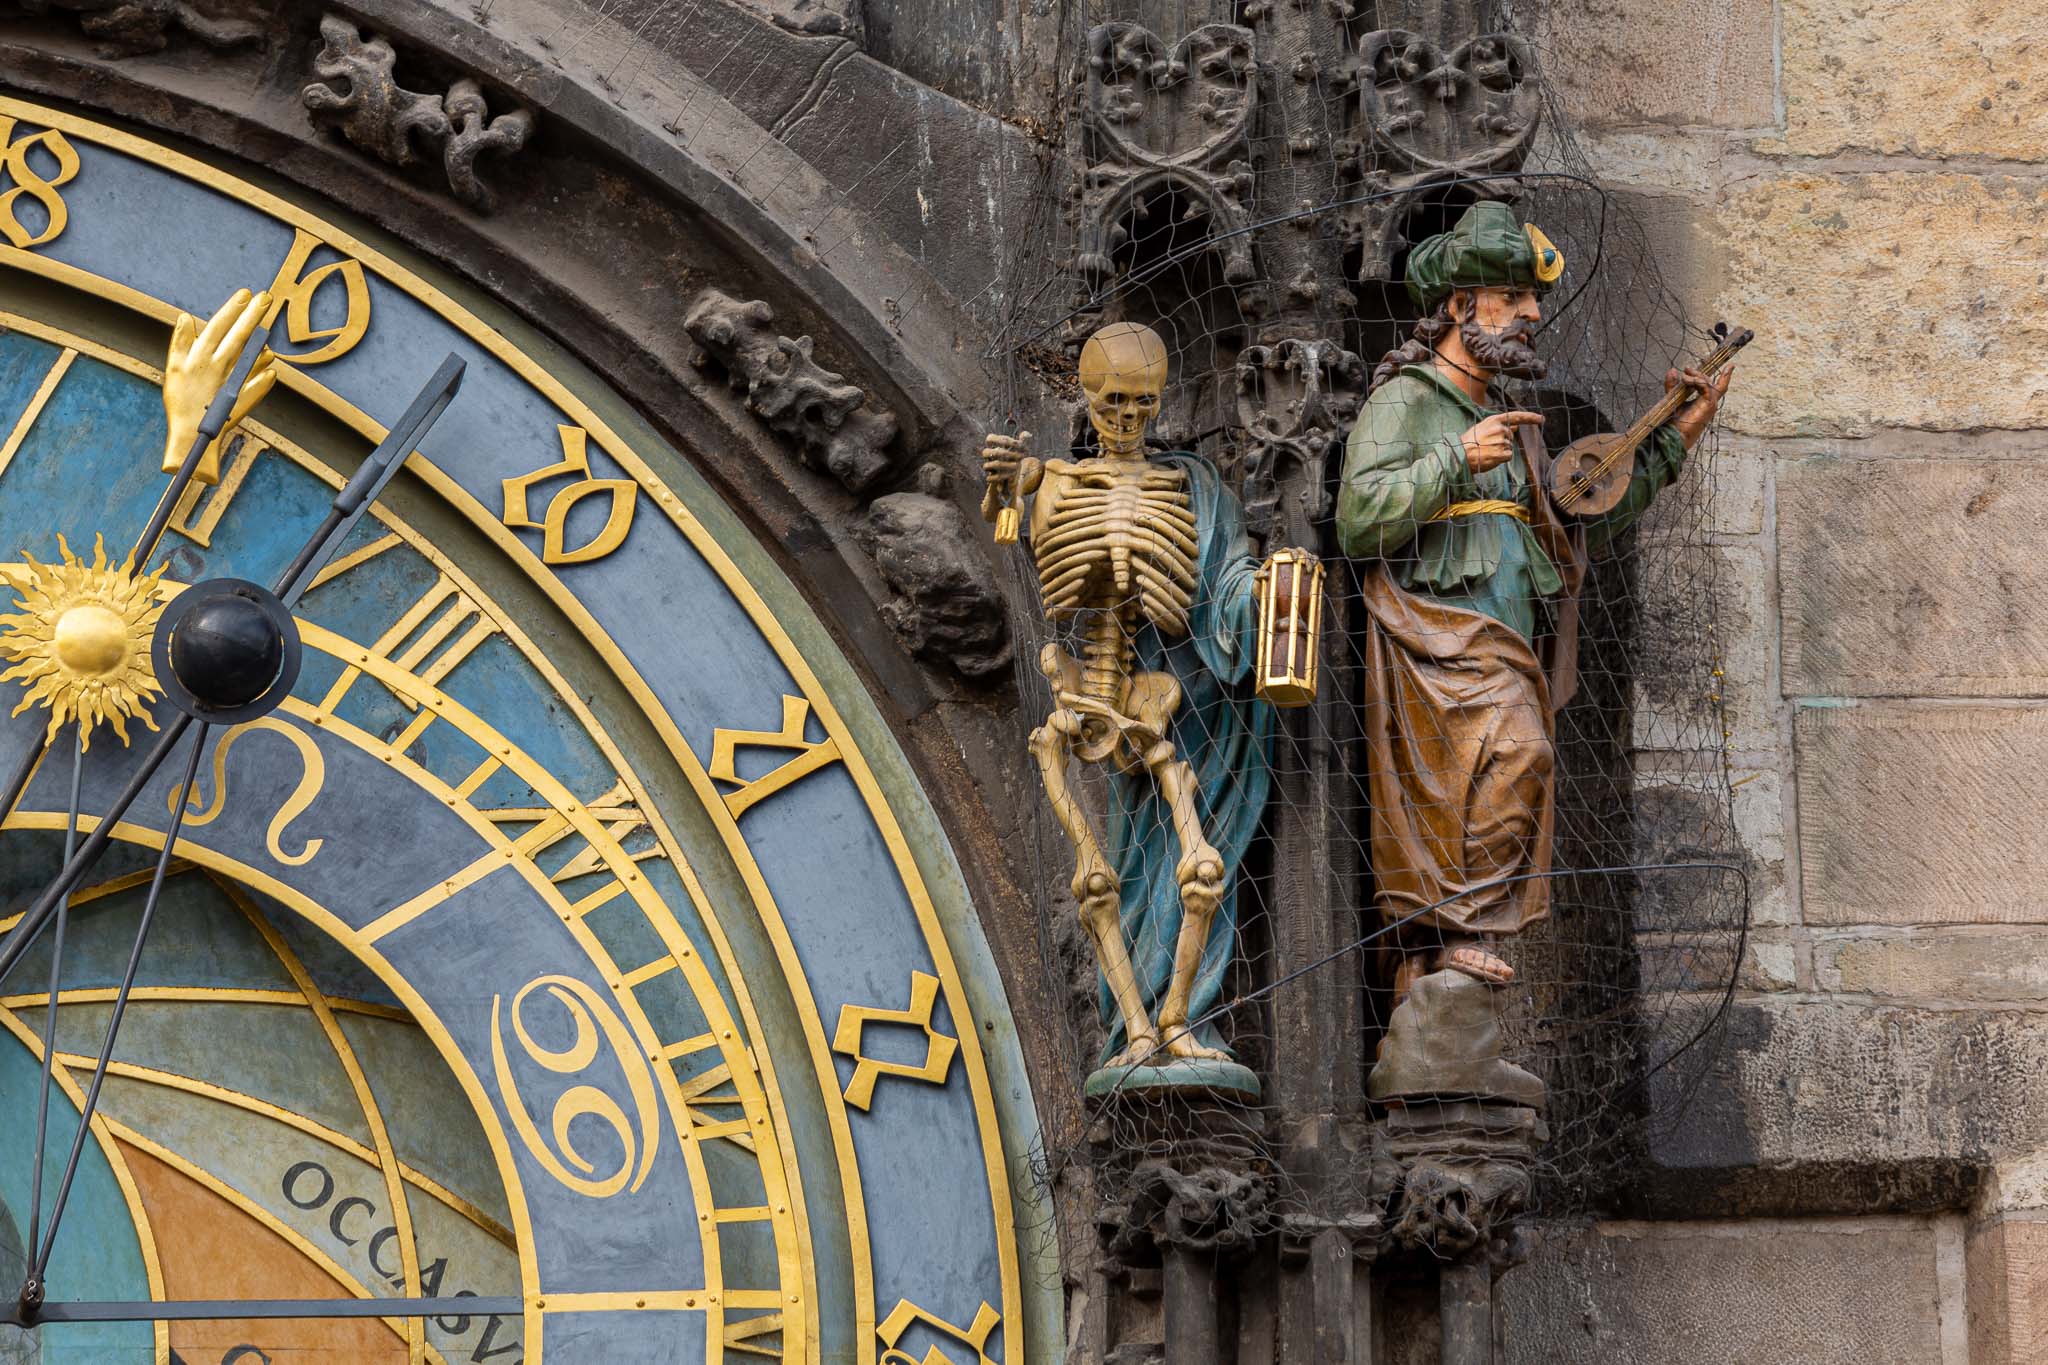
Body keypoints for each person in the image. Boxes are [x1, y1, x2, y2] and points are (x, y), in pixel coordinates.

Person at [1336, 200, 1731, 1003]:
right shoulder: (1407, 401)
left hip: (1506, 644)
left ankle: (1449, 947)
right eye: (1513, 296)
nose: (1532, 314)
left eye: (1531, 299)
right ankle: (1440, 941)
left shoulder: (1510, 423)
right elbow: (1357, 519)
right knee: (1503, 763)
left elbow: (1572, 520)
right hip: (1432, 643)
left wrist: (1674, 438)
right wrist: (1455, 458)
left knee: (1516, 758)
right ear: (1461, 306)